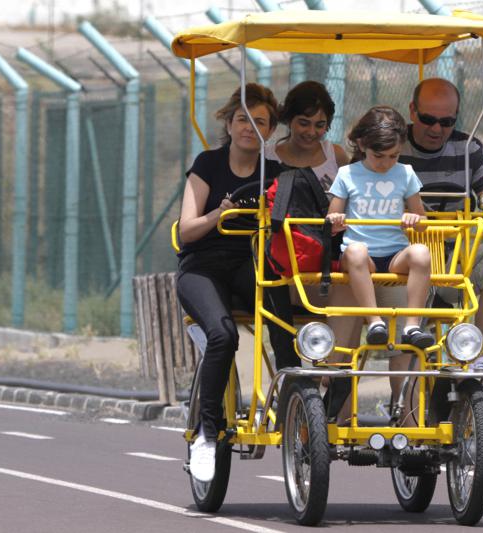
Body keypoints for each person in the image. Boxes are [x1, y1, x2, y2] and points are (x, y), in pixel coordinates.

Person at [176, 83, 297, 483]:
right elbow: (187, 230)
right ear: (229, 123)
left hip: (250, 262)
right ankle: (207, 436)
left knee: (281, 317)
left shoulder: (275, 174)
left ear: (270, 131)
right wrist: (219, 214)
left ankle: (295, 405)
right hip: (202, 266)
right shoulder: (208, 164)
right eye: (243, 118)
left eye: (260, 122)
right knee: (223, 336)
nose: (250, 127)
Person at [399, 77, 483, 373]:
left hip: (456, 261)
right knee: (406, 357)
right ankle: (402, 403)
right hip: (403, 262)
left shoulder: (470, 150)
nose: (437, 129)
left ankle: (473, 356)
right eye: (428, 119)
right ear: (412, 111)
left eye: (447, 121)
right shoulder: (390, 146)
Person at [326, 105, 434, 349]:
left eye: (393, 156)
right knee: (356, 251)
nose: (386, 163)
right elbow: (331, 219)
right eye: (379, 156)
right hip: (362, 257)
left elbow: (422, 221)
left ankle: (412, 325)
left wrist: (414, 220)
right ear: (363, 145)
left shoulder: (405, 173)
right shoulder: (347, 174)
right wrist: (336, 221)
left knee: (421, 253)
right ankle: (375, 322)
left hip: (395, 255)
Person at [266, 80, 350, 187]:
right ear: (289, 119)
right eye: (304, 123)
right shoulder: (266, 157)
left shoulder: (336, 156)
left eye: (319, 125)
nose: (311, 132)